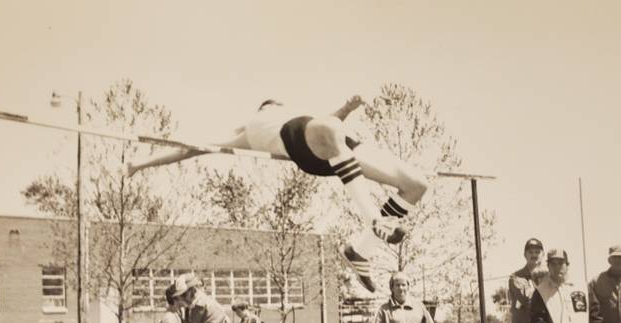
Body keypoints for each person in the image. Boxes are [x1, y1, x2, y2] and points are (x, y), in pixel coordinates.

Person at [126, 95, 428, 294]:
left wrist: (347, 109)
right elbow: (190, 148)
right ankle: (374, 219)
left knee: (416, 184)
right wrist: (140, 164)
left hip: (337, 146)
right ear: (263, 108)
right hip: (302, 141)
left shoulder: (309, 117)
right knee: (328, 127)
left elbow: (329, 128)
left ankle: (361, 249)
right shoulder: (246, 131)